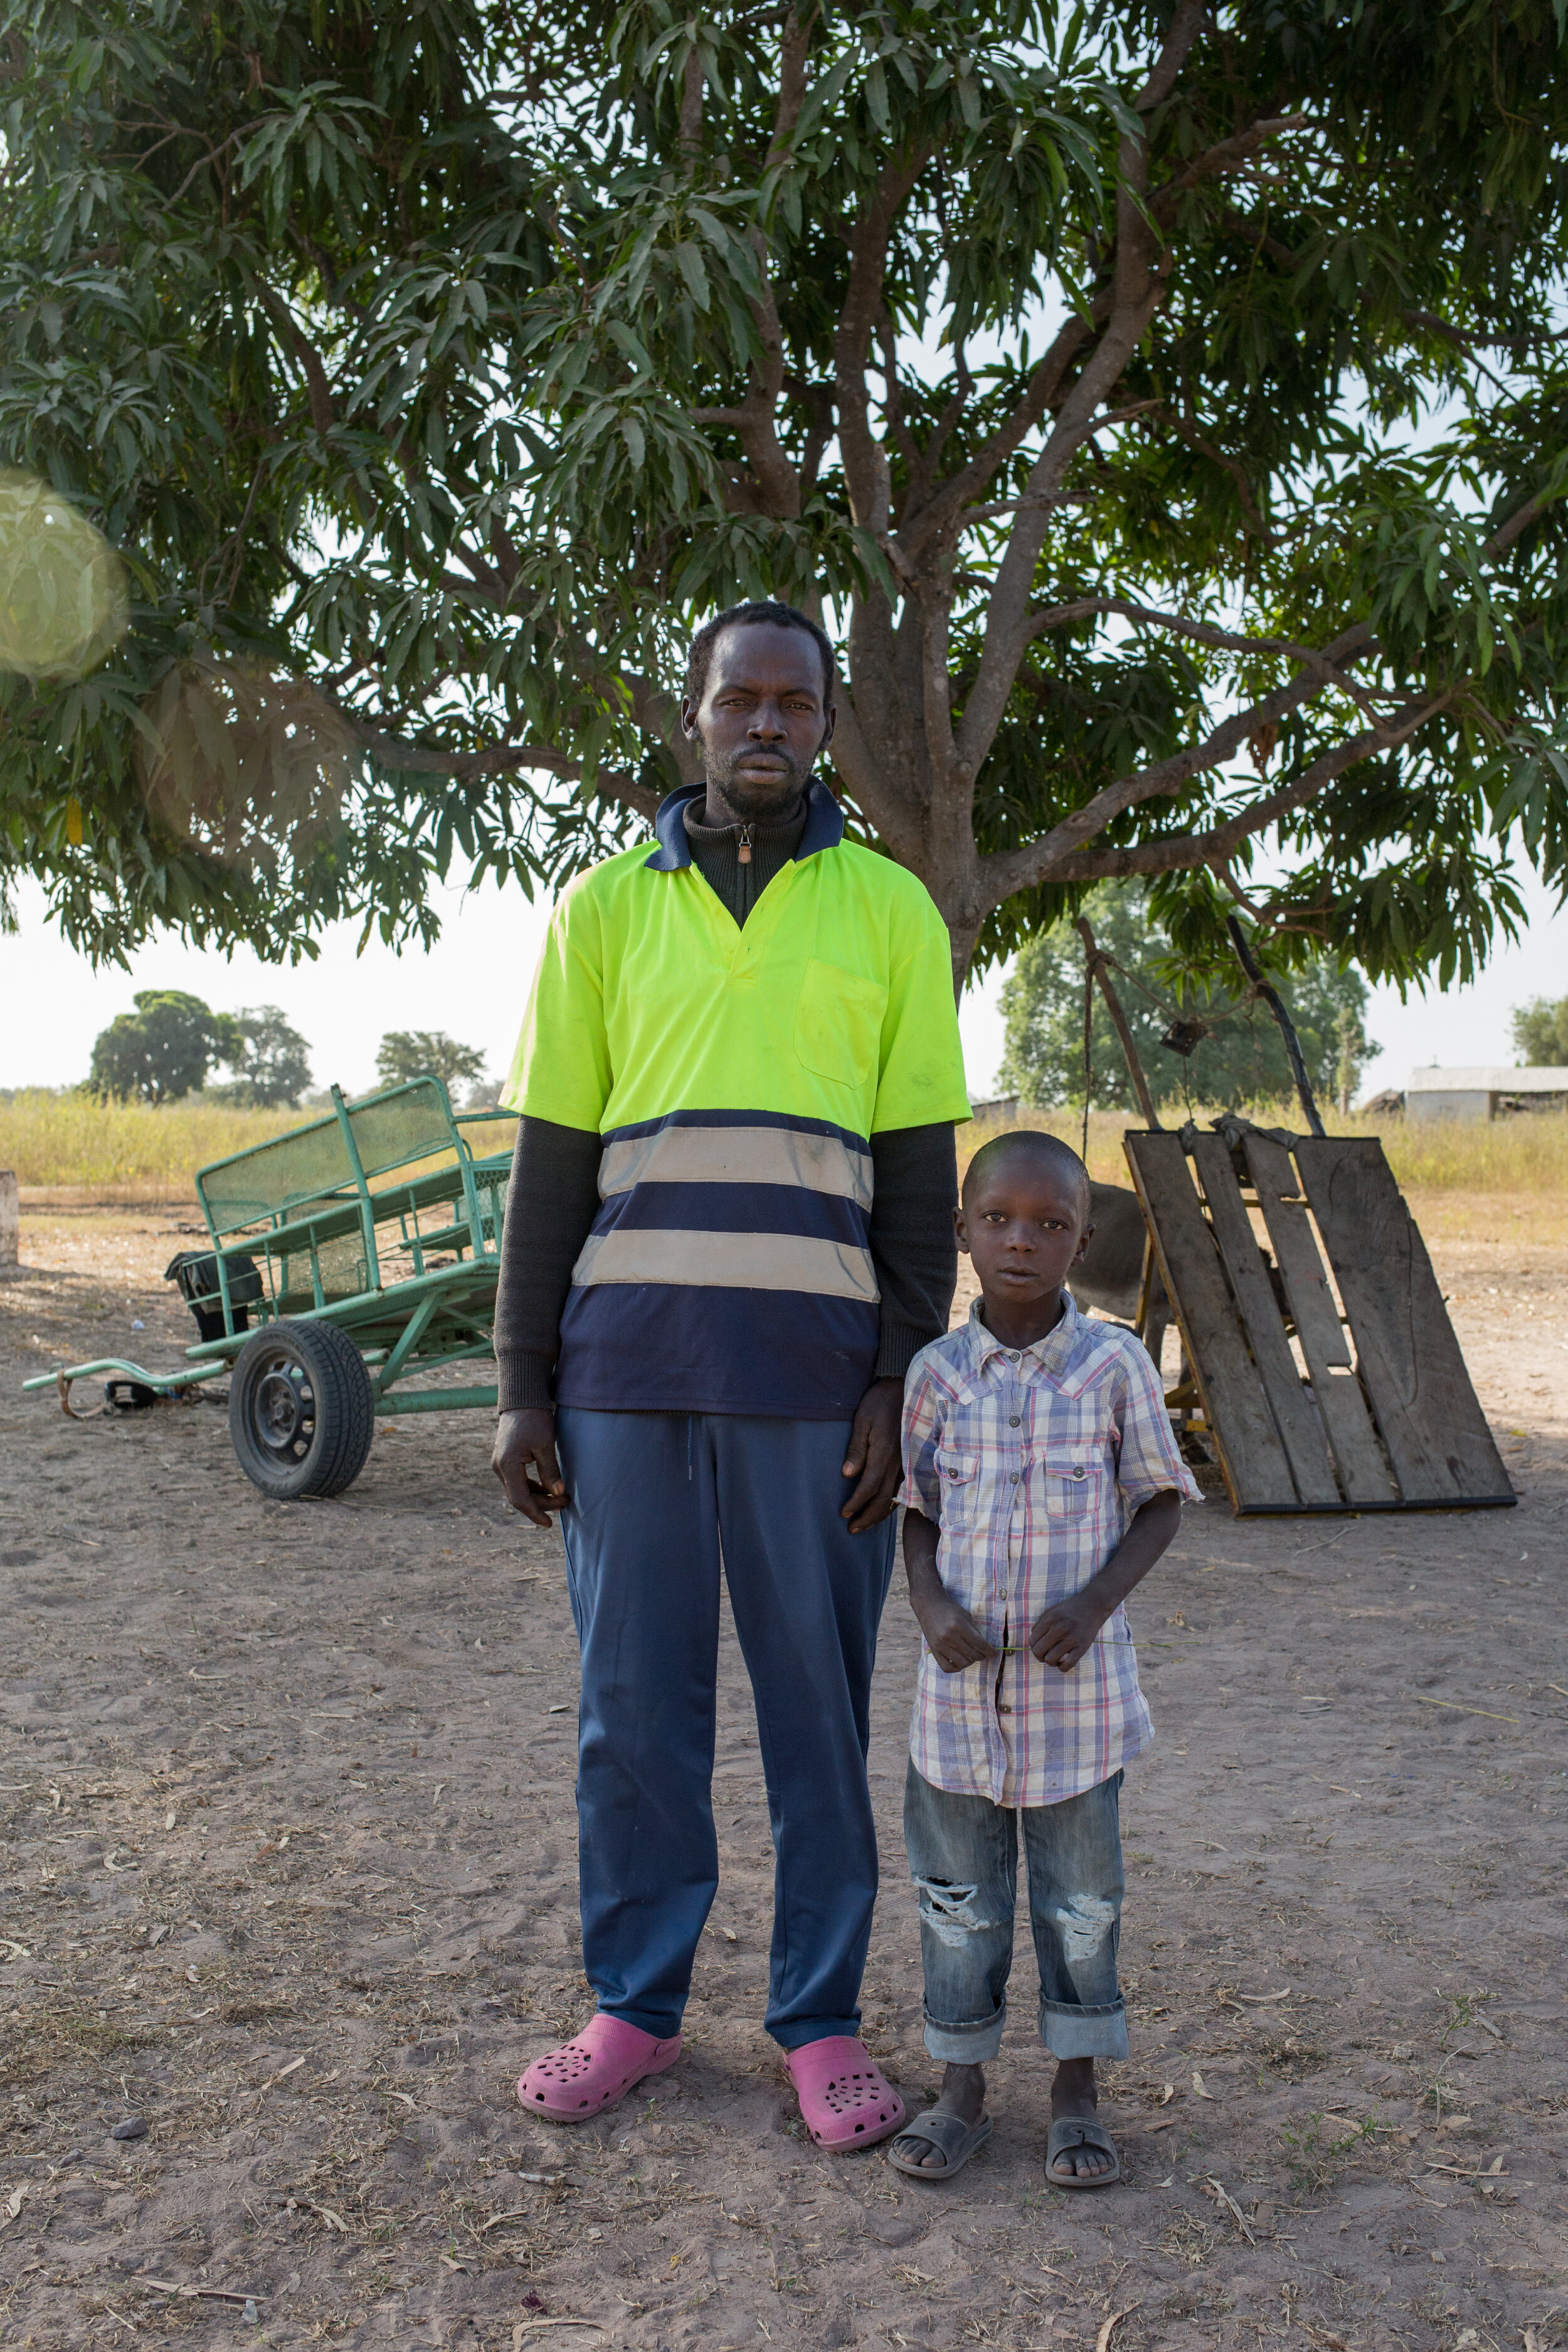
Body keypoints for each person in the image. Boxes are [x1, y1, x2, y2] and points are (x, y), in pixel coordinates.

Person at [490, 600, 971, 2151]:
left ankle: (819, 2023)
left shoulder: (891, 911)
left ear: (826, 722)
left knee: (818, 1711)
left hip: (814, 1381)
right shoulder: (599, 913)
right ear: (690, 715)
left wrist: (896, 1379)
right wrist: (519, 1383)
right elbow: (550, 1170)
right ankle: (633, 2004)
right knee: (630, 1707)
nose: (764, 723)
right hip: (620, 1372)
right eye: (736, 698)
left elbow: (915, 1182)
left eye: (794, 702)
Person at [887, 1129, 1199, 2187]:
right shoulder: (935, 1376)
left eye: (1051, 1224)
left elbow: (1160, 1500)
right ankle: (961, 2086)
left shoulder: (1113, 1366)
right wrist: (927, 1600)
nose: (1023, 1242)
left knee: (1081, 1904)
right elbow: (916, 1512)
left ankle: (1076, 2087)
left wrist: (1098, 1598)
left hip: (1079, 1712)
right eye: (1000, 1220)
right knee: (959, 1903)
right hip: (958, 1710)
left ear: (1085, 1237)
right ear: (963, 1230)